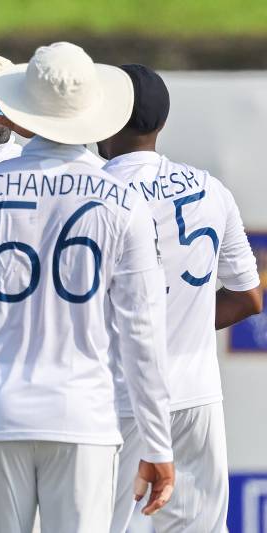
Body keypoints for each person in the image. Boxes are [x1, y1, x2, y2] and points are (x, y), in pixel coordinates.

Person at [0, 42, 175, 532]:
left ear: (17, 116)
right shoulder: (124, 199)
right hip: (84, 418)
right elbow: (142, 332)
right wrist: (158, 442)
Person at [98, 64, 261, 533]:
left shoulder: (90, 191)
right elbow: (249, 298)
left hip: (118, 397)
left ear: (104, 120)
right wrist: (177, 324)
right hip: (196, 399)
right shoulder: (212, 189)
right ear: (161, 123)